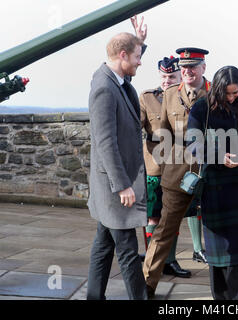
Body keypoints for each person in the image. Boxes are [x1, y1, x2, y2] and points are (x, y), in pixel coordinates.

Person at [187, 65, 238, 300]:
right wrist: (219, 156)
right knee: (218, 249)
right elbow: (192, 144)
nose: (232, 97)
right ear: (219, 89)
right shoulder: (201, 108)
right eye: (228, 93)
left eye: (236, 92)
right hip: (214, 186)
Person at [86, 16, 148, 300]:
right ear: (122, 55)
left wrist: (140, 41)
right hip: (113, 187)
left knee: (103, 246)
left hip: (110, 187)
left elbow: (131, 59)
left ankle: (94, 297)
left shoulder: (118, 79)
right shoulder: (104, 87)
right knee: (127, 251)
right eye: (137, 56)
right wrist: (122, 185)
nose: (140, 61)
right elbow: (105, 142)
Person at [143, 47, 210, 297]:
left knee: (215, 231)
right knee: (163, 231)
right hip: (176, 173)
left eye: (193, 66)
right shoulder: (171, 94)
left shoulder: (215, 93)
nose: (187, 71)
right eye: (184, 67)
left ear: (203, 67)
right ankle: (147, 285)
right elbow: (162, 134)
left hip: (209, 172)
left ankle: (225, 289)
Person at [140, 55, 196, 278]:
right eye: (163, 76)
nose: (166, 81)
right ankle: (151, 260)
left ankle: (169, 261)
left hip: (180, 166)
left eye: (171, 76)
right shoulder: (147, 98)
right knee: (154, 217)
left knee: (173, 216)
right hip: (156, 167)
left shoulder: (186, 96)